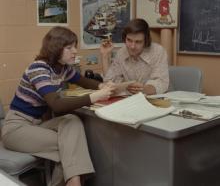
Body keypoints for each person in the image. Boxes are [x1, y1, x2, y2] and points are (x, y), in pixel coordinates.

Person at [1, 26, 115, 186]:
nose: (75, 51)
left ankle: (72, 183)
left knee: (72, 120)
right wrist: (94, 97)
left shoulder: (62, 69)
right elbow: (57, 106)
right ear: (55, 48)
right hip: (16, 128)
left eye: (74, 46)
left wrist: (102, 86)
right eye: (69, 48)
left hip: (38, 125)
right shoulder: (38, 68)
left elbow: (84, 81)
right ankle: (74, 183)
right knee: (70, 148)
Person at [100, 18, 169, 95]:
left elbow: (161, 83)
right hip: (130, 100)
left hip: (153, 98)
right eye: (129, 40)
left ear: (146, 41)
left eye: (138, 42)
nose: (132, 46)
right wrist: (105, 56)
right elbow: (109, 81)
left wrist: (143, 89)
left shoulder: (158, 51)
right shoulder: (121, 52)